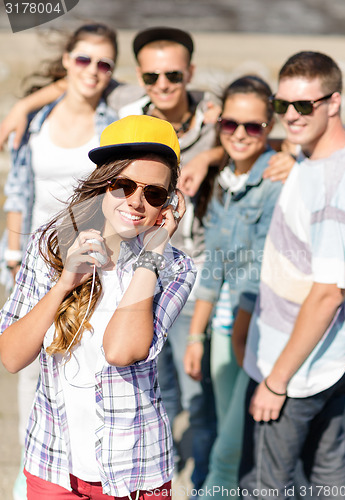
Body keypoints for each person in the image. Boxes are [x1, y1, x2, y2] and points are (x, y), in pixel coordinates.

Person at [0, 114, 196, 500]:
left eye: (153, 194)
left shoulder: (175, 268)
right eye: (123, 185)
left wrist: (152, 255)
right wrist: (65, 282)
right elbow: (10, 356)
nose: (136, 203)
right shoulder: (50, 245)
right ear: (101, 184)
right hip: (53, 466)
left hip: (136, 474)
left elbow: (122, 350)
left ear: (168, 204)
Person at [0, 23, 119, 500]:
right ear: (67, 60)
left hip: (91, 265)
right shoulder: (38, 118)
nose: (92, 71)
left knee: (81, 370)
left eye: (104, 63)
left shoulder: (114, 119)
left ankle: (90, 468)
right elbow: (18, 189)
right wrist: (12, 254)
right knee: (28, 370)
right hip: (33, 263)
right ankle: (32, 470)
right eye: (83, 59)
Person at [240, 51, 345, 498]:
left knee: (264, 485)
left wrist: (276, 381)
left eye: (304, 105)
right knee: (330, 474)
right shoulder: (327, 154)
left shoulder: (332, 191)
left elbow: (329, 293)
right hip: (333, 355)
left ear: (334, 102)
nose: (291, 115)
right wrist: (295, 152)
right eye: (281, 104)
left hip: (296, 369)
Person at [119, 26, 219, 487]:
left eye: (174, 75)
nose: (163, 84)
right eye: (152, 75)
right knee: (154, 386)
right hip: (140, 272)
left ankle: (202, 484)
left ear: (190, 73)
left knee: (200, 392)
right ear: (140, 76)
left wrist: (211, 150)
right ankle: (162, 471)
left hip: (194, 272)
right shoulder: (126, 122)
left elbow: (263, 133)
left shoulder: (216, 120)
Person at [183, 76, 284, 498]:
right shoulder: (222, 181)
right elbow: (215, 267)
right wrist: (195, 335)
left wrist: (240, 340)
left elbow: (260, 271)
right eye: (230, 124)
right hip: (224, 330)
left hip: (257, 332)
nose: (240, 134)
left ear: (269, 127)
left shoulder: (278, 180)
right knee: (233, 436)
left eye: (253, 126)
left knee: (227, 452)